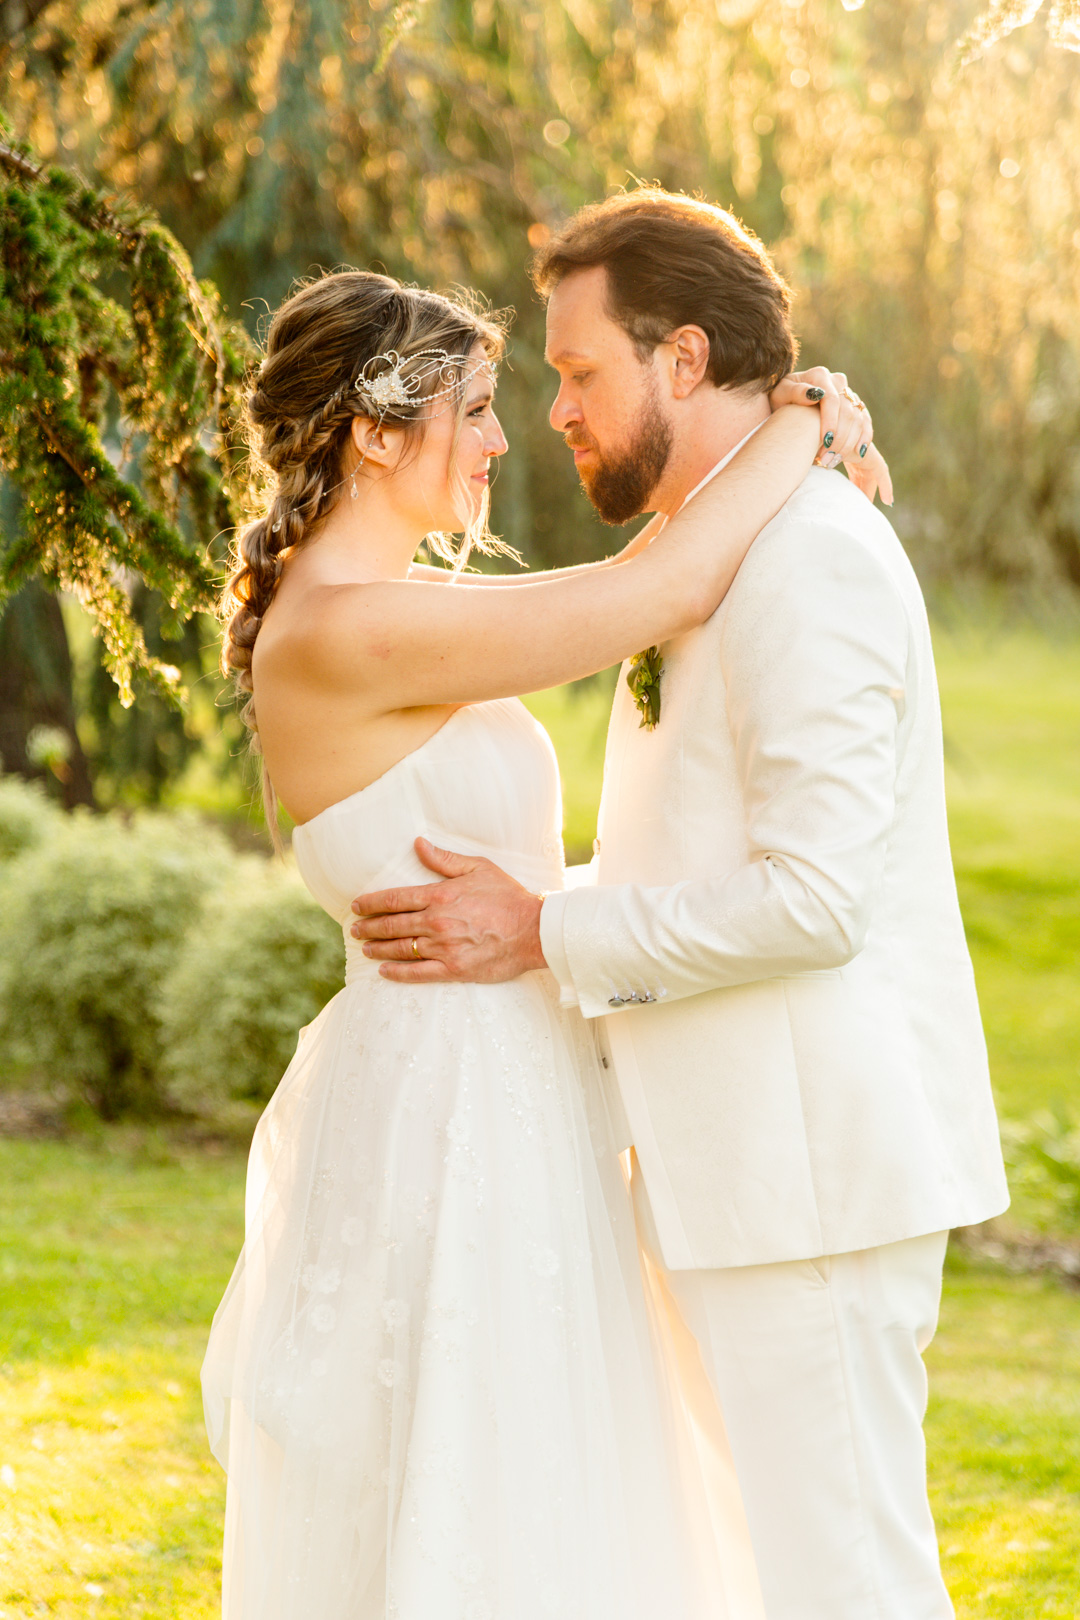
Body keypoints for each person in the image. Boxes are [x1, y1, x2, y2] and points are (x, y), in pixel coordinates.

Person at [350, 191, 1011, 1620]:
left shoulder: (810, 560)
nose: (556, 414)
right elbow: (703, 860)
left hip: (808, 1189)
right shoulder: (711, 555)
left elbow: (817, 901)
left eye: (579, 373)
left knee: (847, 1587)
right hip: (732, 1182)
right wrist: (542, 912)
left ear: (687, 358)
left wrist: (543, 931)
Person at [203, 263, 874, 1619]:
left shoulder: (386, 610)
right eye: (472, 408)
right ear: (374, 432)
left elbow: (638, 586)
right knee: (480, 1477)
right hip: (449, 1118)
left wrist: (548, 918)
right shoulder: (344, 629)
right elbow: (658, 587)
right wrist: (805, 414)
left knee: (551, 1486)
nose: (504, 439)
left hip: (507, 1092)